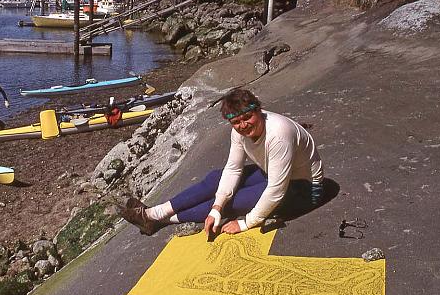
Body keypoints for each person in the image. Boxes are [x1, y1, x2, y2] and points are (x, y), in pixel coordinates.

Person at [120, 88, 324, 239]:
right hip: (273, 173)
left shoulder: (278, 134)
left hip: (304, 189)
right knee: (215, 179)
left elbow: (276, 190)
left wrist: (246, 223)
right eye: (236, 122)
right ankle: (156, 213)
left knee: (234, 202)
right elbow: (233, 168)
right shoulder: (239, 131)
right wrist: (217, 207)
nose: (243, 125)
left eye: (247, 117)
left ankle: (159, 220)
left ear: (259, 111)